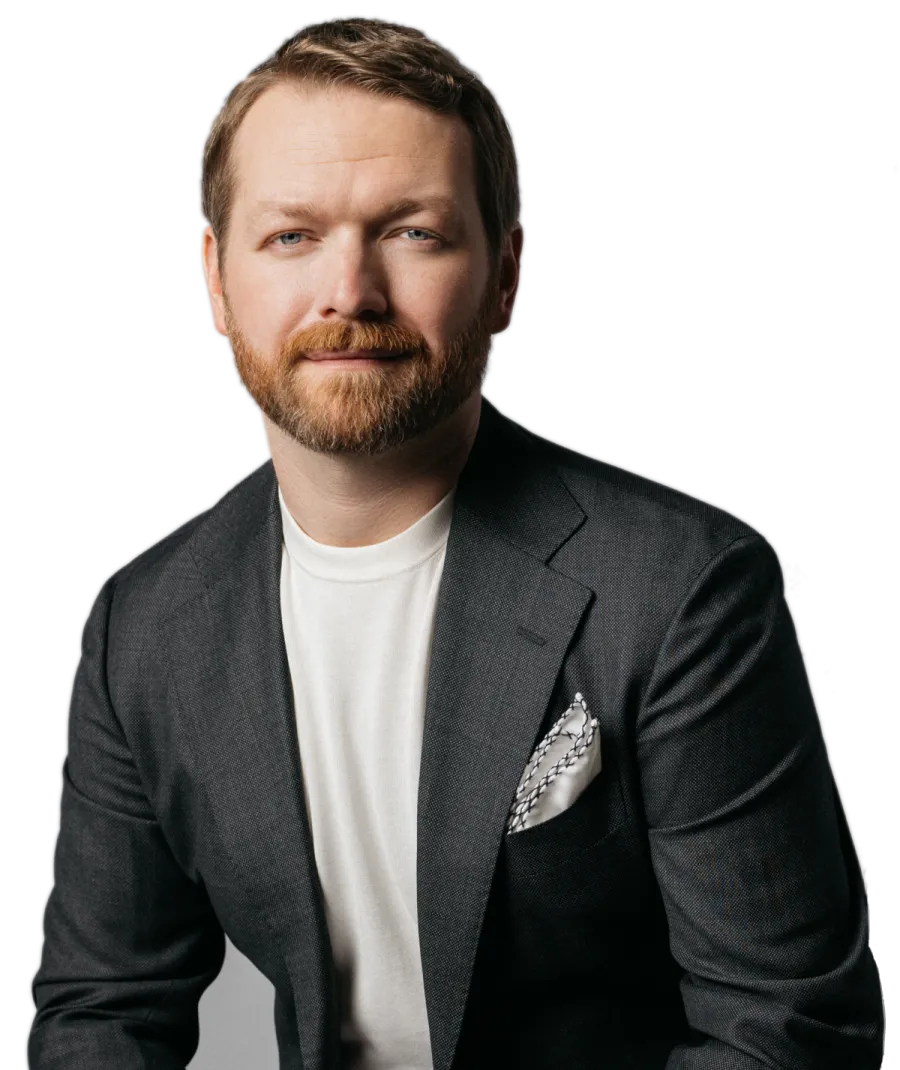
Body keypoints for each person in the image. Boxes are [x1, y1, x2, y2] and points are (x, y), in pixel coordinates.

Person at [30, 17, 884, 1070]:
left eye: (413, 232)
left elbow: (788, 1034)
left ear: (503, 271)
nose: (350, 291)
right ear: (215, 275)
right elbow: (100, 1018)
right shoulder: (145, 624)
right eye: (291, 236)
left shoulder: (680, 589)